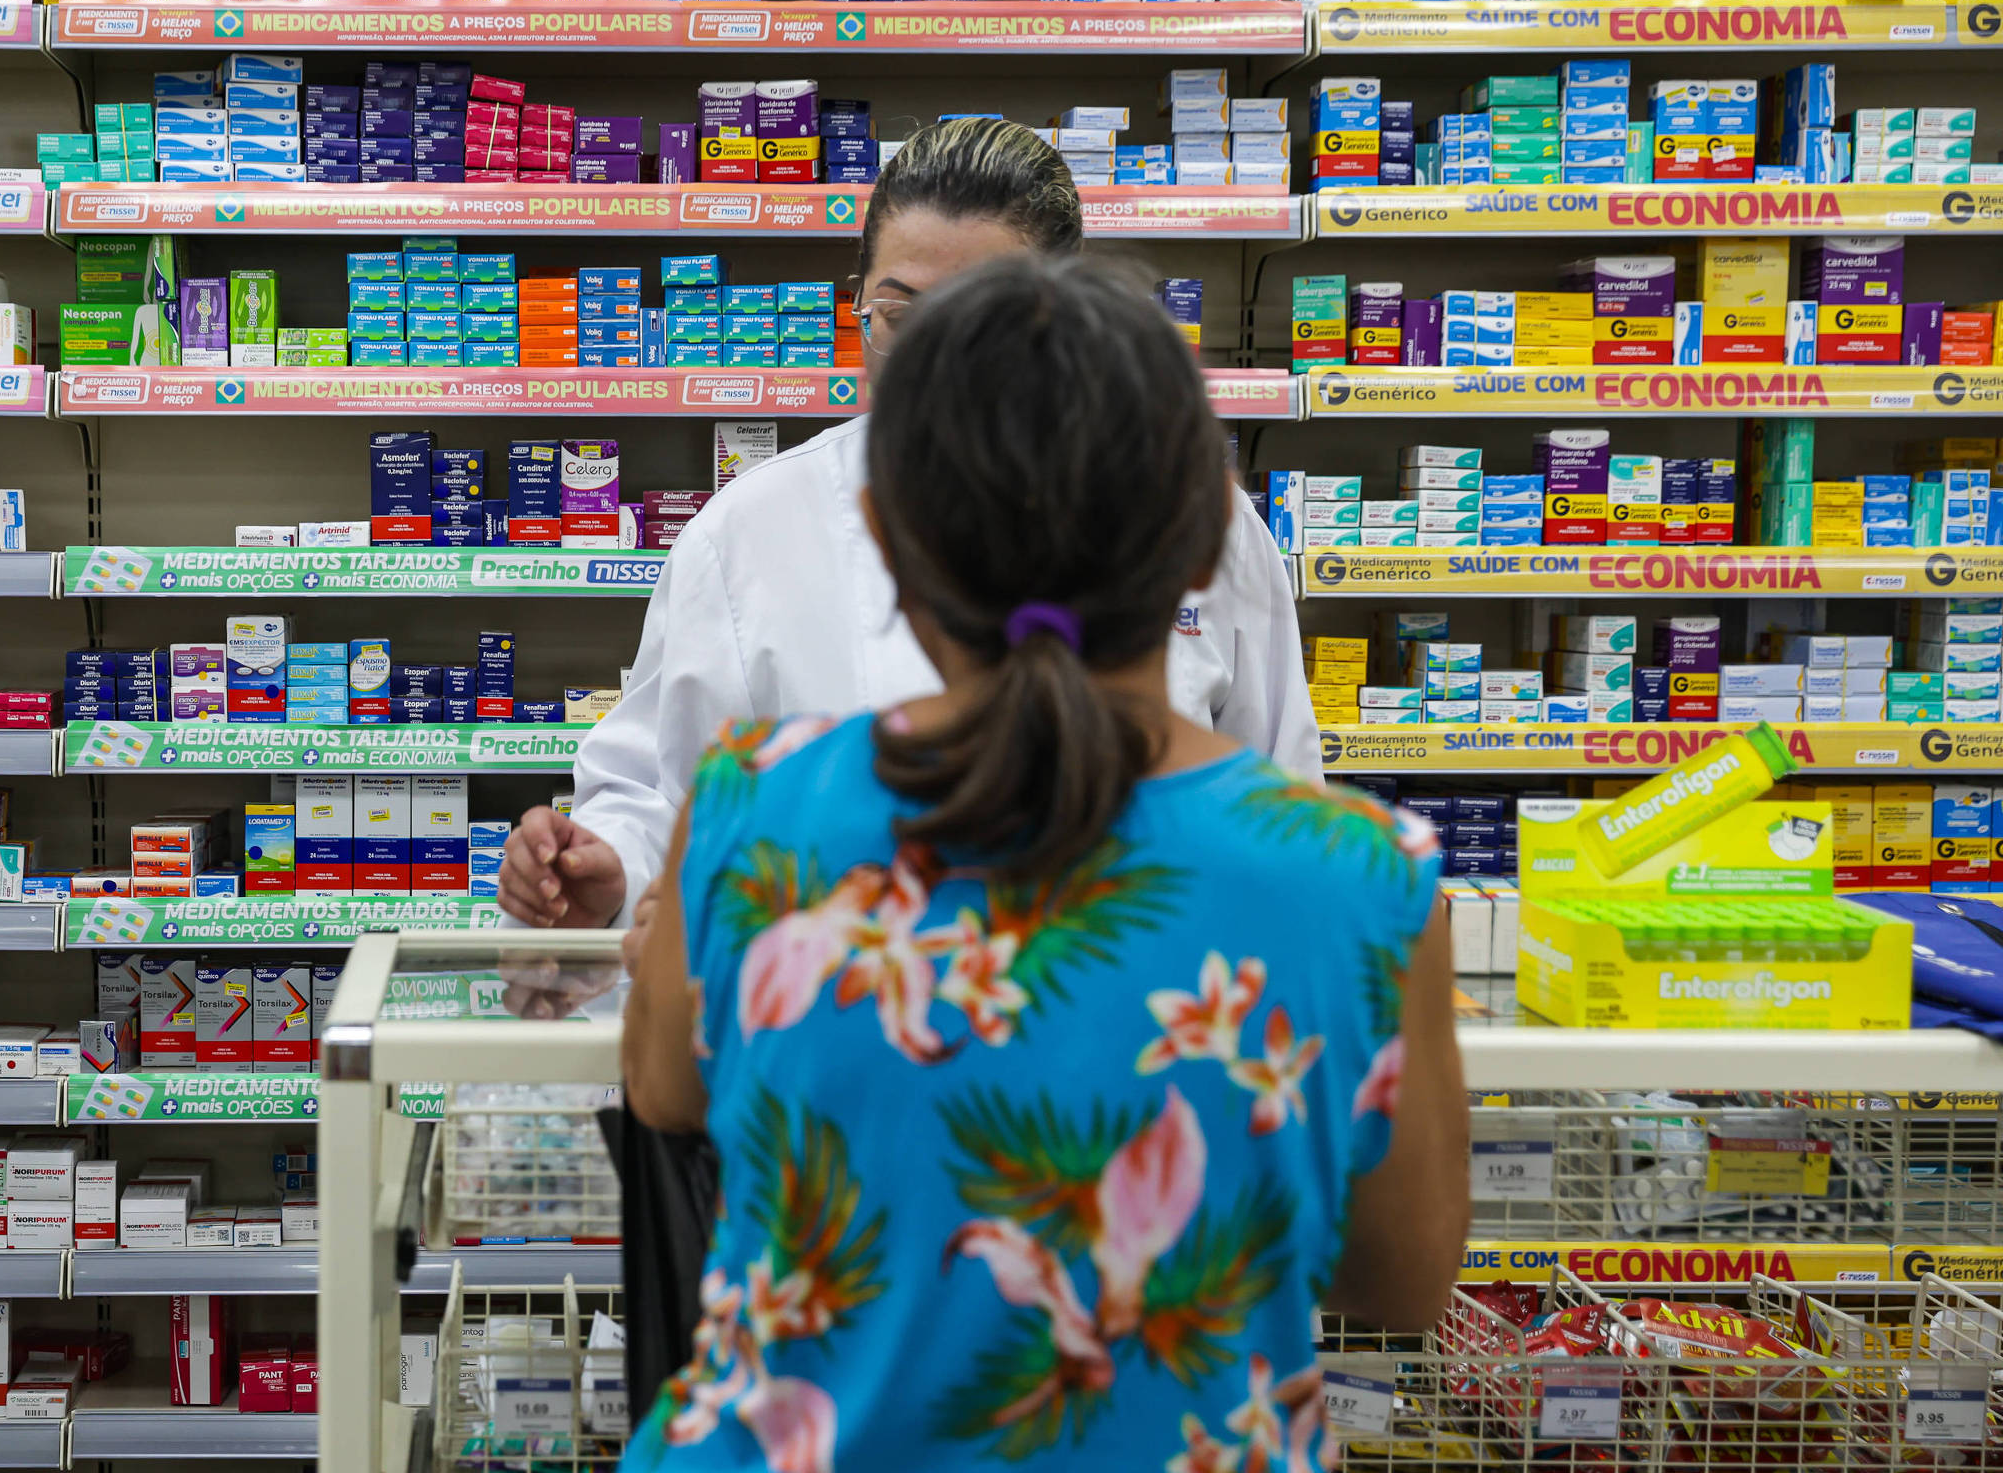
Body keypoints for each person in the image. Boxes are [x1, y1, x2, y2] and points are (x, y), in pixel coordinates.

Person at [617, 256, 1467, 1471]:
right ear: (1200, 548)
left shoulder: (757, 804)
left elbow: (666, 1091)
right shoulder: (1363, 878)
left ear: (888, 543)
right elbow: (1402, 1279)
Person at [500, 117, 1318, 932]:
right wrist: (608, 863)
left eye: (982, 325)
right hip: (845, 1012)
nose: (939, 368)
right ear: (857, 308)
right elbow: (657, 790)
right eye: (903, 319)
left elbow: (1283, 802)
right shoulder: (750, 533)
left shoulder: (1192, 519)